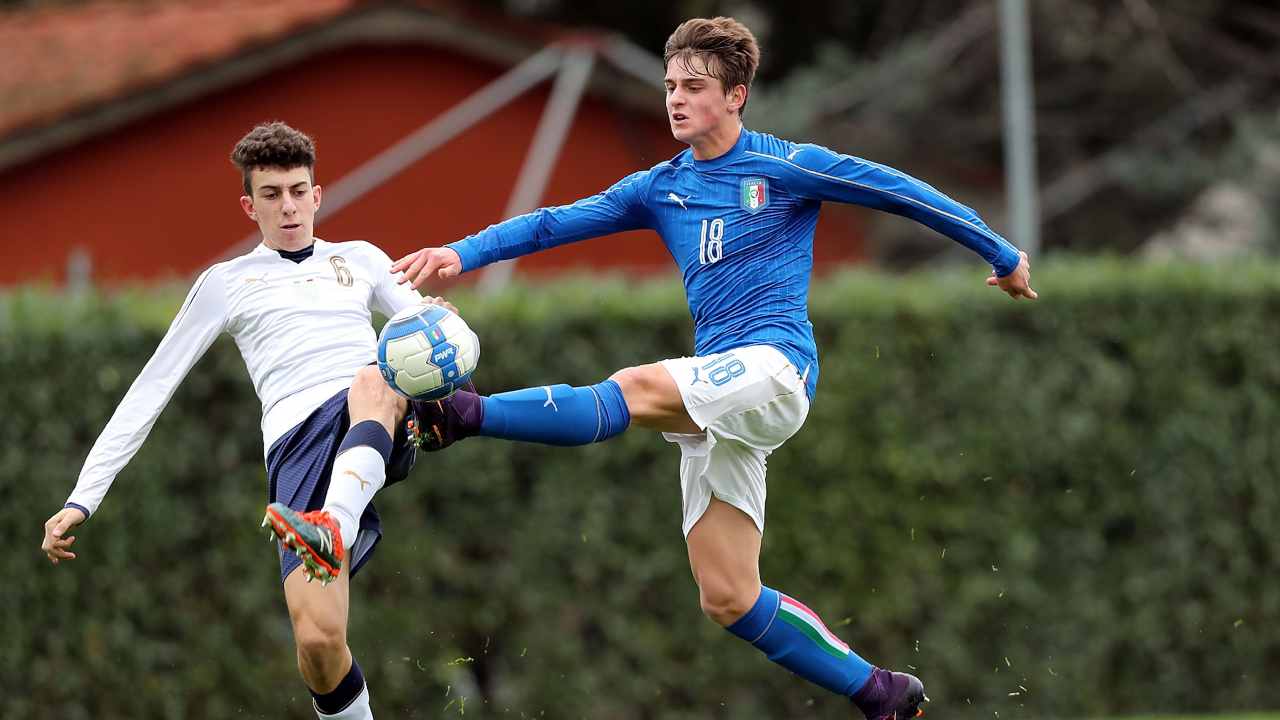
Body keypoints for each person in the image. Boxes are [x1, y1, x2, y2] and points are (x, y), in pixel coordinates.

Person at [314, 16, 1035, 719]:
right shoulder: (661, 187)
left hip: (775, 370)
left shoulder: (788, 167)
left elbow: (903, 192)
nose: (675, 99)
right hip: (721, 394)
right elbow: (553, 222)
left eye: (694, 85)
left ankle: (462, 416)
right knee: (728, 596)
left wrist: (1001, 256)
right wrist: (460, 254)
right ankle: (880, 693)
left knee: (636, 387)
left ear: (736, 95)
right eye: (668, 86)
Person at [39, 121, 445, 720]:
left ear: (318, 195)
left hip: (373, 411)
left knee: (374, 377)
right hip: (297, 449)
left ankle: (336, 519)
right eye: (272, 194)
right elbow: (150, 389)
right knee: (318, 645)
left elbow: (425, 335)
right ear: (248, 205)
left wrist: (440, 322)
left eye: (298, 190)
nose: (288, 206)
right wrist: (82, 498)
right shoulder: (227, 284)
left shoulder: (361, 260)